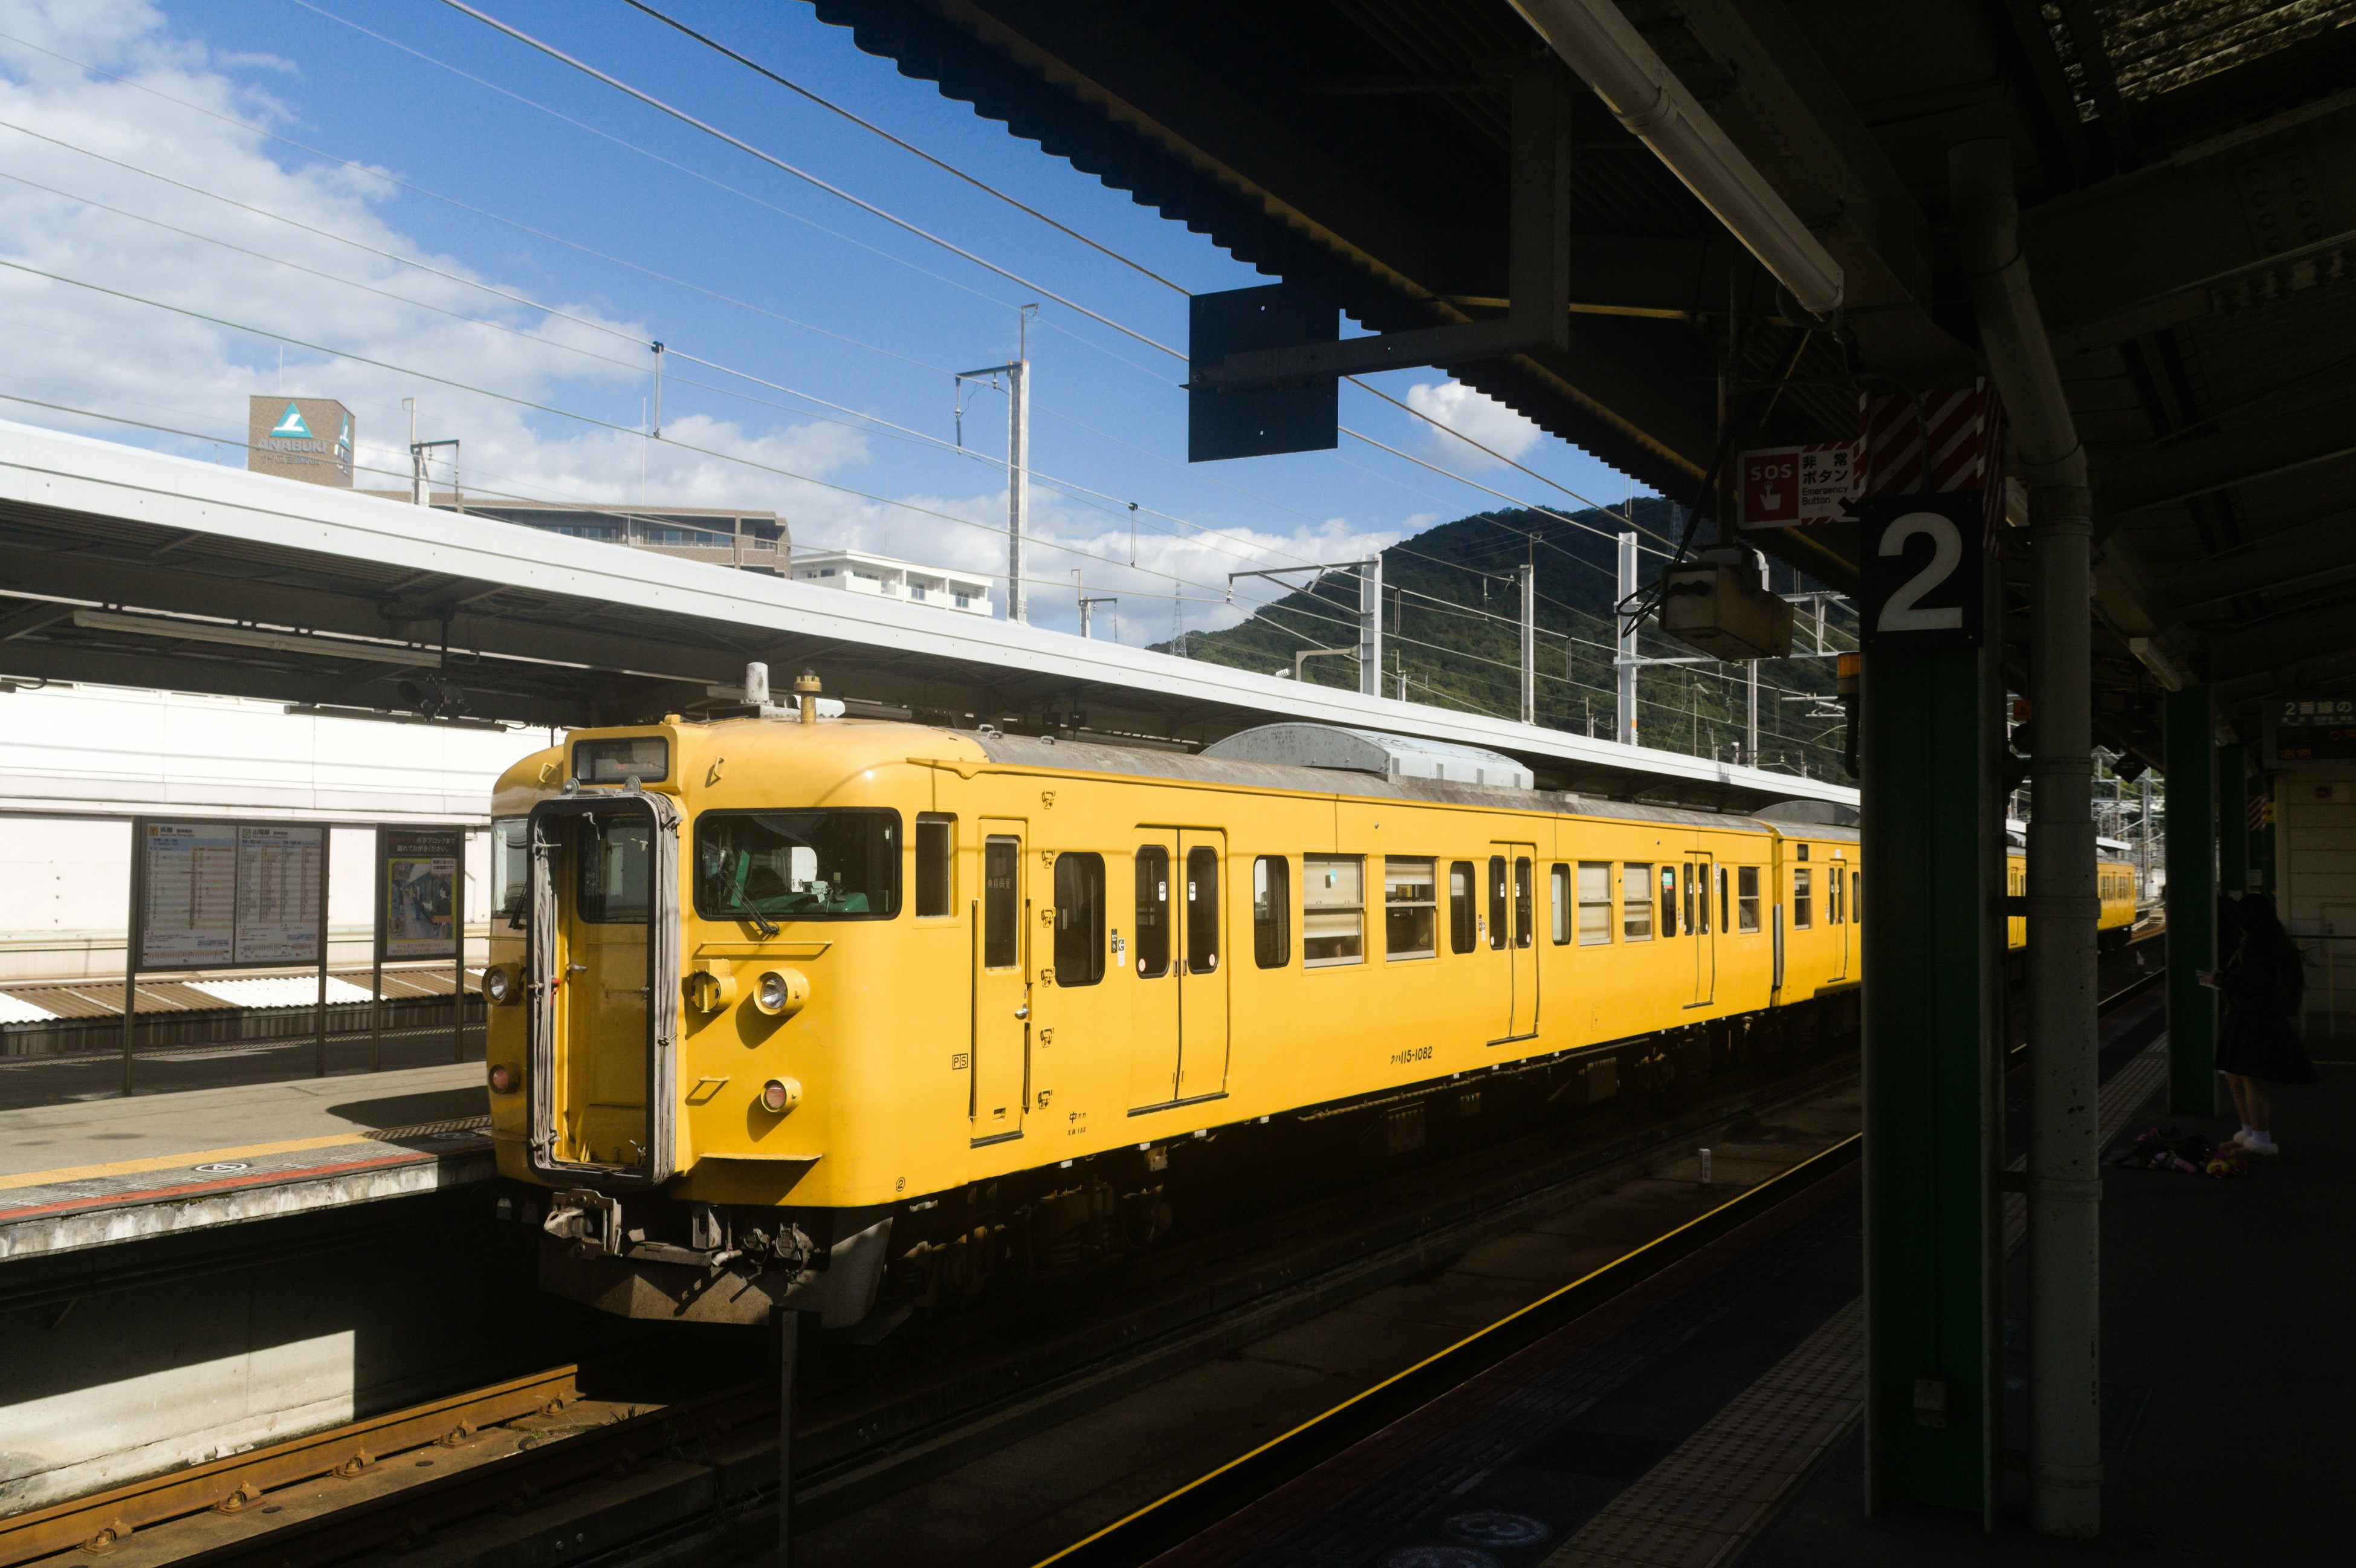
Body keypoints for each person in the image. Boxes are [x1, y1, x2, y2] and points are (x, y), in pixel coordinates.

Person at [2204, 893, 2317, 1155]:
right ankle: (2249, 1134)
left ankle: (2262, 1142)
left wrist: (2220, 981)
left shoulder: (2257, 946)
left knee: (2250, 1080)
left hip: (2253, 1018)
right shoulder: (2268, 942)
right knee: (2235, 1076)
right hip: (2254, 1016)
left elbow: (2253, 983)